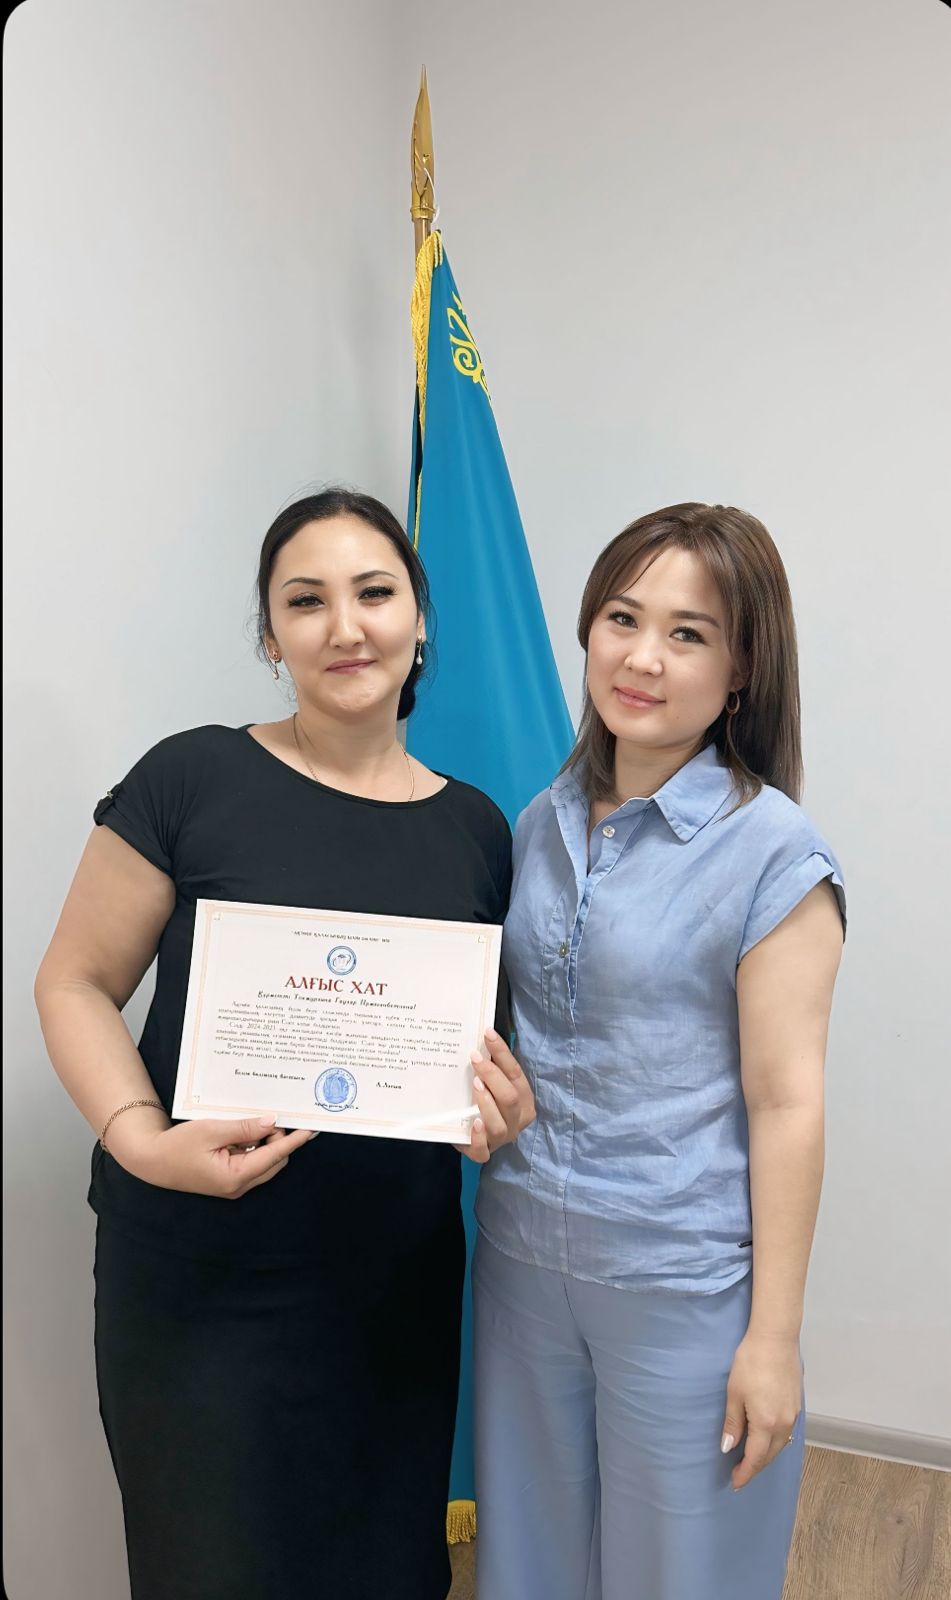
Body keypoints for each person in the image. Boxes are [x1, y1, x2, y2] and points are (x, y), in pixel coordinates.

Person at [34, 487, 534, 1600]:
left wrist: (496, 1114)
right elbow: (73, 981)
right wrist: (139, 1138)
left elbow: (475, 1053)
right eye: (305, 601)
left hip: (391, 1288)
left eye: (374, 592)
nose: (344, 626)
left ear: (419, 619)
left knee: (386, 1570)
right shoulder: (192, 776)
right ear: (270, 636)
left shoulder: (478, 829)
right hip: (199, 1281)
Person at [473, 502, 846, 1600]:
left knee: (679, 1579)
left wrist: (772, 1339)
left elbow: (788, 1104)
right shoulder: (541, 821)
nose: (642, 657)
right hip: (523, 1265)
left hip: (680, 1284)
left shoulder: (773, 851)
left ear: (741, 671)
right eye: (623, 618)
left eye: (689, 633)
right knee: (528, 1568)